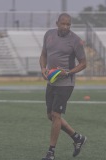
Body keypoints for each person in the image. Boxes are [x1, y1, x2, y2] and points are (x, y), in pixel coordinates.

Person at [39, 13, 87, 160]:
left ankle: (51, 152)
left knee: (56, 115)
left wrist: (68, 72)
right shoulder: (49, 35)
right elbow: (43, 55)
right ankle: (77, 138)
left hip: (66, 83)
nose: (66, 27)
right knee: (50, 116)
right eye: (63, 24)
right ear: (57, 23)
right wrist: (42, 69)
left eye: (68, 25)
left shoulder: (75, 41)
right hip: (52, 81)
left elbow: (83, 63)